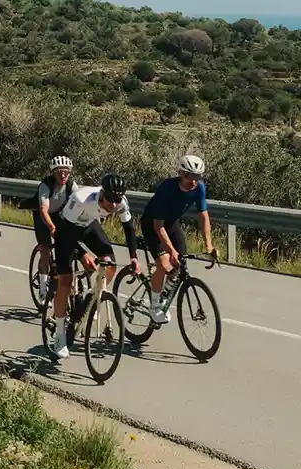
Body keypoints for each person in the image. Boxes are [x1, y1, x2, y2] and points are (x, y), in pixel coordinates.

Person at [51, 169, 140, 360]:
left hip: (89, 225)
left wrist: (134, 257)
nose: (114, 205)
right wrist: (83, 254)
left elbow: (129, 229)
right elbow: (66, 233)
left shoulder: (120, 202)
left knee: (110, 264)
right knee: (65, 281)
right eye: (110, 200)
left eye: (118, 200)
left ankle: (91, 298)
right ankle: (59, 335)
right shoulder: (82, 198)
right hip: (67, 228)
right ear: (102, 194)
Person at [140, 153, 216, 324]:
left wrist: (209, 246)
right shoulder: (167, 189)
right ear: (181, 173)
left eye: (198, 177)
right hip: (153, 225)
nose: (194, 182)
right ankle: (154, 306)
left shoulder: (199, 188)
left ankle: (164, 294)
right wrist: (171, 251)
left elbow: (203, 216)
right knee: (165, 263)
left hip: (172, 224)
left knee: (180, 265)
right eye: (191, 177)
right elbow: (158, 226)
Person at [33, 155, 76, 303]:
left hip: (58, 215)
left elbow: (79, 204)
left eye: (66, 171)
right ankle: (43, 287)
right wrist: (51, 227)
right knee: (46, 250)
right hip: (42, 217)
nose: (63, 175)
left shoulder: (71, 185)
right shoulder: (46, 186)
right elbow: (43, 210)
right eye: (59, 172)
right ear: (53, 172)